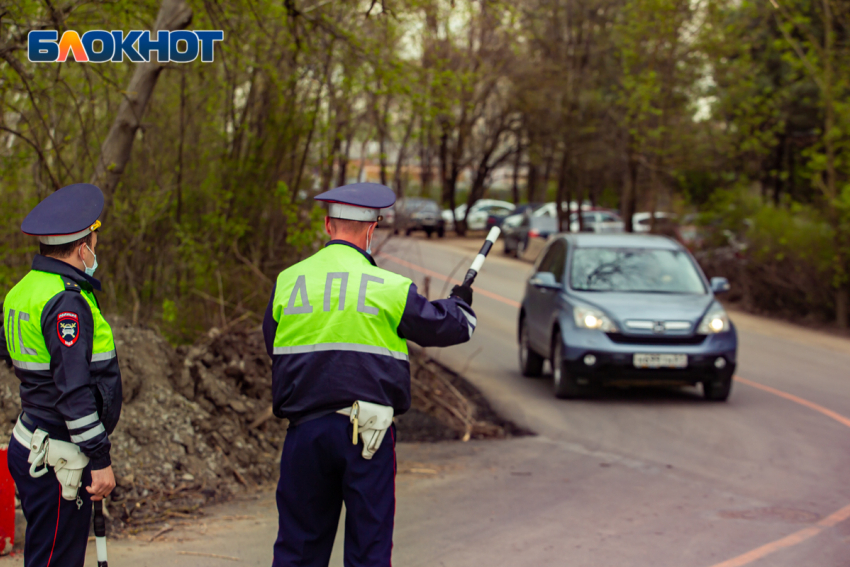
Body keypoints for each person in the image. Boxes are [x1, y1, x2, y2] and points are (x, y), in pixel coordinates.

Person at [263, 182, 476, 567]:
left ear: (328, 227)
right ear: (371, 229)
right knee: (368, 550)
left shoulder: (288, 281)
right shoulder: (389, 287)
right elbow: (445, 327)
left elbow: (273, 346)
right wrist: (461, 305)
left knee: (298, 549)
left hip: (304, 435)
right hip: (368, 436)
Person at [0, 183, 122, 567]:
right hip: (59, 456)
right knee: (56, 560)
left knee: (45, 553)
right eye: (94, 240)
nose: (95, 249)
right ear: (82, 246)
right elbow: (73, 392)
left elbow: (14, 359)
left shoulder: (22, 291)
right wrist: (99, 458)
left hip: (32, 438)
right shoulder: (65, 300)